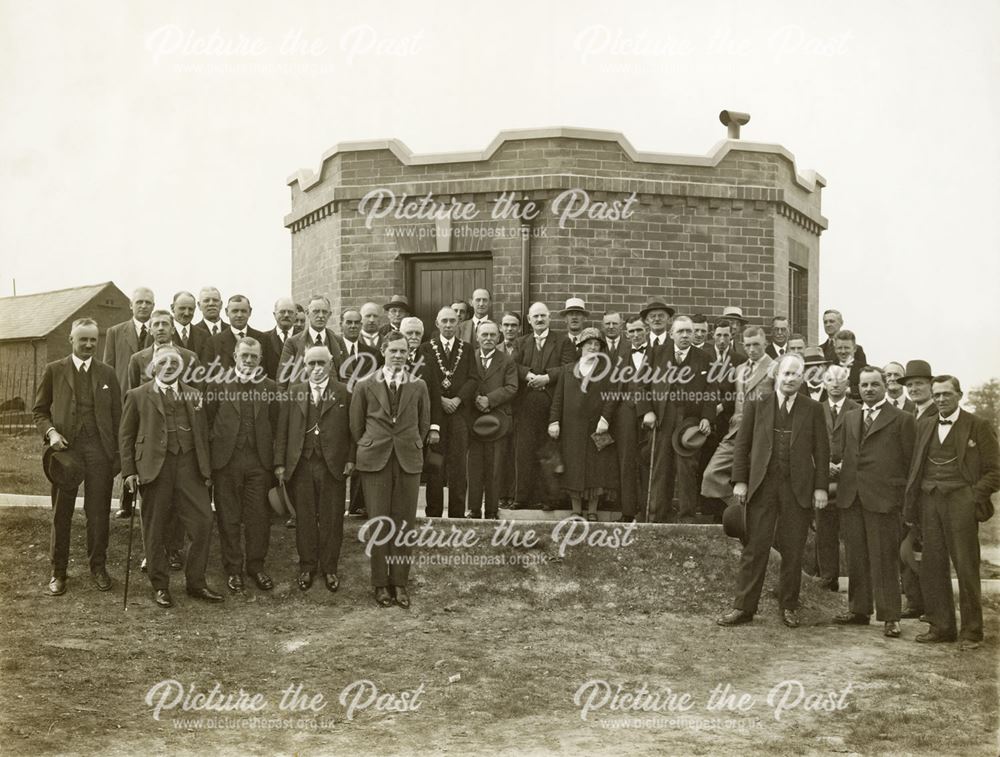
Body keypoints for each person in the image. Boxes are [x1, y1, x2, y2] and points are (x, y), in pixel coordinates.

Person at [717, 353, 829, 629]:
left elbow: (822, 453)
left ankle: (789, 606)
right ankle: (743, 607)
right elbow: (742, 445)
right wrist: (740, 481)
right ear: (776, 375)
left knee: (793, 550)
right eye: (786, 373)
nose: (790, 379)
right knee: (755, 548)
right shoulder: (758, 404)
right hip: (762, 486)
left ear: (802, 378)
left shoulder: (812, 409)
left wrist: (820, 488)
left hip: (797, 489)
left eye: (796, 374)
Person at [119, 346, 222, 608]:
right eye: (162, 362)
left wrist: (206, 471)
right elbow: (126, 436)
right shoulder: (138, 395)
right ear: (154, 366)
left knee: (203, 522)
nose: (168, 366)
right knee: (154, 528)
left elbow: (202, 435)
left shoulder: (194, 395)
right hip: (155, 469)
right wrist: (129, 471)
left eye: (173, 362)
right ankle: (160, 586)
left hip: (190, 468)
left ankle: (196, 583)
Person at [904, 375, 999, 649]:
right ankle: (941, 626)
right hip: (929, 502)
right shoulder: (924, 424)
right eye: (938, 395)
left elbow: (995, 471)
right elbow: (915, 468)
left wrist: (972, 497)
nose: (942, 399)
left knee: (966, 566)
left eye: (947, 394)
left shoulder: (978, 425)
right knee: (933, 566)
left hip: (961, 503)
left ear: (959, 394)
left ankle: (971, 632)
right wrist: (914, 505)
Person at [32, 318, 121, 595]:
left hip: (99, 452)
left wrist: (116, 455)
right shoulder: (54, 370)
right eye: (83, 339)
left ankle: (98, 567)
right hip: (65, 452)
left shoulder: (107, 373)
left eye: (93, 339)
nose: (88, 344)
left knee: (98, 513)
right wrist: (51, 434)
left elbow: (118, 416)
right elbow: (39, 411)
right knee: (62, 514)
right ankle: (58, 572)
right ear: (71, 340)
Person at [833, 367, 915, 638]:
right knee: (856, 557)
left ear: (884, 385)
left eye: (874, 384)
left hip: (883, 499)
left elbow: (909, 462)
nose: (869, 389)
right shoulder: (851, 416)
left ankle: (891, 616)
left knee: (884, 559)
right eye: (864, 385)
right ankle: (859, 610)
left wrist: (900, 499)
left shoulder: (901, 419)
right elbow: (847, 454)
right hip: (851, 497)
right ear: (857, 388)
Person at [350, 332, 431, 609]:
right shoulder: (364, 385)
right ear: (383, 351)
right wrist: (371, 444)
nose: (399, 356)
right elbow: (356, 426)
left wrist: (409, 444)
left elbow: (424, 423)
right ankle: (380, 584)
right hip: (375, 459)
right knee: (379, 522)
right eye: (393, 351)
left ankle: (399, 583)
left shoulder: (419, 385)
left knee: (404, 522)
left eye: (403, 351)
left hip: (407, 458)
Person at [274, 345, 355, 593]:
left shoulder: (343, 392)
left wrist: (351, 459)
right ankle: (307, 567)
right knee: (305, 518)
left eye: (322, 363)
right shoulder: (294, 392)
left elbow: (353, 431)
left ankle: (329, 568)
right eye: (312, 364)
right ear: (304, 366)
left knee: (332, 519)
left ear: (331, 365)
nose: (317, 369)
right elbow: (283, 430)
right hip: (302, 464)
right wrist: (280, 463)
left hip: (333, 465)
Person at [207, 337, 279, 593]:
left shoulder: (270, 387)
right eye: (244, 355)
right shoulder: (216, 384)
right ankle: (233, 569)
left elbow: (276, 425)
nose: (248, 361)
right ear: (235, 356)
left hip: (259, 462)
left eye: (254, 357)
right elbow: (207, 423)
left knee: (259, 517)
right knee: (228, 517)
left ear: (260, 360)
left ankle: (256, 567)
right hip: (226, 462)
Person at [637, 315, 715, 523]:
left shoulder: (705, 357)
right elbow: (641, 385)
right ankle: (656, 516)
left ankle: (687, 518)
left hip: (689, 422)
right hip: (663, 417)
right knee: (661, 467)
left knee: (687, 470)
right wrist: (647, 411)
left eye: (689, 331)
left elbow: (711, 390)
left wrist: (707, 417)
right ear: (671, 334)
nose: (686, 335)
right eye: (681, 331)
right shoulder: (655, 353)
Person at [548, 328, 619, 520]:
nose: (593, 348)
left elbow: (612, 397)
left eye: (597, 345)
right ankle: (576, 510)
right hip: (572, 429)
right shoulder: (568, 370)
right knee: (573, 469)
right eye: (589, 344)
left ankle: (593, 511)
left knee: (595, 471)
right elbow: (558, 399)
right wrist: (554, 421)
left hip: (596, 427)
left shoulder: (608, 371)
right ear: (581, 347)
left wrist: (605, 419)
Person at [512, 302, 576, 509]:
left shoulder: (562, 341)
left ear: (549, 318)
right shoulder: (521, 342)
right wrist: (529, 375)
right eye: (535, 317)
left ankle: (550, 499)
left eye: (543, 316)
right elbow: (513, 365)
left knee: (549, 453)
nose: (539, 320)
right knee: (524, 452)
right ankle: (522, 498)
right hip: (526, 407)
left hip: (551, 406)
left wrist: (546, 378)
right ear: (529, 320)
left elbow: (568, 367)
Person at [700, 327, 773, 507]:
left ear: (765, 344)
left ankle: (756, 515)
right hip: (737, 433)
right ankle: (744, 510)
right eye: (748, 345)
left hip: (763, 434)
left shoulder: (775, 368)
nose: (752, 349)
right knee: (711, 475)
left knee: (758, 480)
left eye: (756, 344)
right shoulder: (740, 368)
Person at [419, 307, 476, 519]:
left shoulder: (467, 349)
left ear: (459, 323)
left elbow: (473, 378)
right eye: (445, 321)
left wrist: (457, 399)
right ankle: (433, 513)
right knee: (435, 465)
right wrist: (441, 400)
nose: (449, 325)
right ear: (437, 323)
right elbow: (423, 381)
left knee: (458, 466)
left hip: (459, 414)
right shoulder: (426, 348)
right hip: (436, 415)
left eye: (453, 321)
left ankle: (457, 514)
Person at [812, 365, 857, 592]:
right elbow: (808, 444)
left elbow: (862, 444)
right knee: (825, 530)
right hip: (823, 479)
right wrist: (823, 465)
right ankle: (828, 577)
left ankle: (858, 581)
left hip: (851, 481)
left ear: (847, 384)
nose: (835, 383)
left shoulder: (856, 409)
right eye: (830, 379)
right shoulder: (815, 410)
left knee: (852, 532)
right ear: (824, 383)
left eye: (840, 379)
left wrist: (845, 465)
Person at [466, 321, 518, 519]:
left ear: (499, 338)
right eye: (484, 335)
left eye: (492, 335)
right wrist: (476, 399)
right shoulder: (469, 358)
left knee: (495, 466)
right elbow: (464, 382)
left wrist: (489, 399)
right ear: (477, 337)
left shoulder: (506, 360)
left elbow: (512, 387)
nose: (488, 339)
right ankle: (473, 508)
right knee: (474, 465)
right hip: (473, 419)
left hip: (498, 420)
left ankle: (492, 510)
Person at [613, 315, 648, 523]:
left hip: (649, 413)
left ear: (645, 331)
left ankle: (647, 509)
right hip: (625, 412)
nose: (635, 335)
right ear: (627, 334)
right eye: (632, 331)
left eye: (639, 330)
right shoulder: (621, 355)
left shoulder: (656, 353)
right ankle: (627, 511)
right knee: (626, 461)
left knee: (647, 458)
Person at [277, 294, 345, 389]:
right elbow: (282, 381)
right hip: (302, 399)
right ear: (307, 313)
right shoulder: (292, 342)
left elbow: (347, 376)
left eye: (324, 312)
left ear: (330, 314)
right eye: (316, 311)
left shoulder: (338, 341)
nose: (321, 316)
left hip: (332, 398)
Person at [127, 310, 200, 391]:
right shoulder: (137, 359)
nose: (160, 328)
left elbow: (197, 392)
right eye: (156, 324)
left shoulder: (190, 357)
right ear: (150, 331)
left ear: (173, 330)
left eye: (165, 324)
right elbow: (133, 392)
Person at [103, 286, 155, 392]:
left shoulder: (161, 332)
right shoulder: (115, 332)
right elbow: (107, 370)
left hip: (153, 397)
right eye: (139, 302)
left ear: (153, 306)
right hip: (124, 395)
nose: (143, 306)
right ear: (131, 305)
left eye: (148, 303)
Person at [200, 295, 267, 371]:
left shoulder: (263, 339)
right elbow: (207, 375)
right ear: (226, 312)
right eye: (235, 311)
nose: (239, 315)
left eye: (243, 311)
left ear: (250, 312)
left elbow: (269, 373)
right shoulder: (213, 342)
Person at [335, 308, 380, 387]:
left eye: (356, 323)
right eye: (349, 322)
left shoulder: (372, 354)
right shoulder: (334, 350)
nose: (353, 326)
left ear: (361, 325)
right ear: (341, 325)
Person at [261, 297, 297, 381]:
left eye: (290, 312)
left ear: (295, 316)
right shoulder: (263, 338)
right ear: (274, 314)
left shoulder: (303, 337)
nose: (286, 315)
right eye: (282, 312)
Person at [171, 290, 208, 357]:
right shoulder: (161, 332)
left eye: (190, 309)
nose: (186, 313)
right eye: (182, 308)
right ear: (172, 308)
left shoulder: (204, 335)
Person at [833, 329, 864, 401]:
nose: (843, 351)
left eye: (846, 348)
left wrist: (850, 390)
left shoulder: (865, 369)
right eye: (839, 348)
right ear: (835, 349)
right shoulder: (828, 369)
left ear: (855, 349)